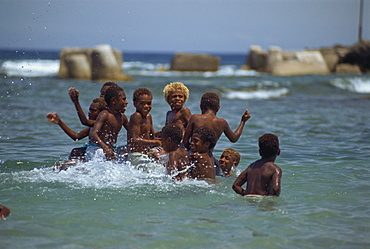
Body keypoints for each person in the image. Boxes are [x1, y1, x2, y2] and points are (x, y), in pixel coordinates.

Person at [183, 92, 251, 175]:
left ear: (201, 106)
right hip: (210, 159)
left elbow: (185, 142)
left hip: (192, 156)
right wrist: (243, 121)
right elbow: (234, 138)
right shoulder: (222, 122)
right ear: (218, 108)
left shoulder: (195, 118)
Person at [46, 97, 107, 168]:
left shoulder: (103, 125)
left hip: (98, 158)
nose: (89, 112)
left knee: (61, 166)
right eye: (90, 109)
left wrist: (76, 102)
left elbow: (85, 122)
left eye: (94, 110)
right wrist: (59, 122)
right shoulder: (93, 126)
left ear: (101, 114)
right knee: (60, 166)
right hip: (90, 157)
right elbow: (76, 136)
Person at [88, 84, 128, 161]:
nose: (126, 102)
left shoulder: (122, 117)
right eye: (123, 99)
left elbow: (132, 133)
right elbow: (93, 133)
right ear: (114, 100)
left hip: (110, 149)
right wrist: (105, 148)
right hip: (96, 149)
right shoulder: (104, 114)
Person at [127, 88, 162, 167]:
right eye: (142, 103)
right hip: (135, 156)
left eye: (149, 103)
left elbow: (151, 137)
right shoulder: (136, 116)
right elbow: (134, 139)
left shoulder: (149, 117)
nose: (146, 106)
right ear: (135, 104)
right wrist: (156, 143)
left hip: (146, 153)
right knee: (158, 170)